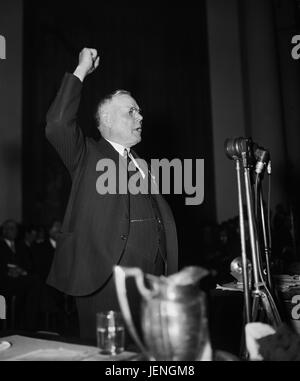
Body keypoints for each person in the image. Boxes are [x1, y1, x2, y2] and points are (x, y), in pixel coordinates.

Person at [45, 47, 178, 340]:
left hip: (152, 283)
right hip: (104, 280)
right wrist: (81, 70)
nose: (140, 116)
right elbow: (57, 124)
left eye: (140, 110)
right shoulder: (86, 154)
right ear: (106, 121)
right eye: (131, 111)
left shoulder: (142, 163)